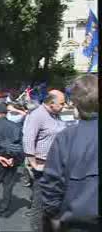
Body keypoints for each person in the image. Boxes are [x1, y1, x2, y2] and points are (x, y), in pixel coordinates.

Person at [40, 75, 99, 232]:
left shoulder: (66, 137)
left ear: (76, 104)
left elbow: (51, 184)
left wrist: (53, 216)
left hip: (75, 222)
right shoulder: (66, 137)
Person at [23, 90, 66, 232]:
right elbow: (28, 140)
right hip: (44, 165)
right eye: (61, 103)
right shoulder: (37, 115)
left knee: (55, 203)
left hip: (58, 165)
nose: (64, 105)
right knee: (40, 203)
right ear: (51, 103)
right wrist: (34, 164)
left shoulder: (56, 115)